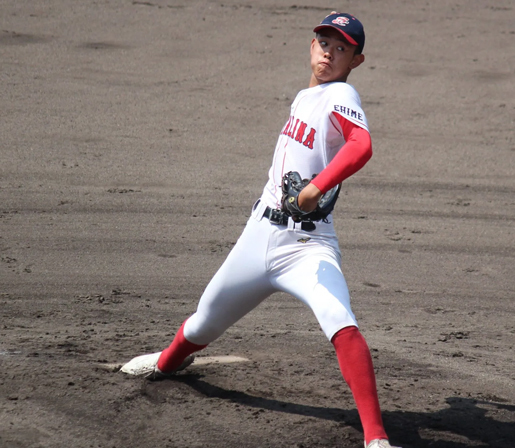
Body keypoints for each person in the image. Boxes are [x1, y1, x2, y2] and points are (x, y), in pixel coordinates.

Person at [120, 12, 399, 448]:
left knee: (339, 320)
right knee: (204, 320)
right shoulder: (306, 97)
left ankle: (376, 439)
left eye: (341, 47)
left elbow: (361, 146)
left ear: (355, 60)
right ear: (311, 46)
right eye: (323, 42)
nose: (329, 51)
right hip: (260, 235)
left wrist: (315, 188)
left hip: (308, 245)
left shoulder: (342, 93)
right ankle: (167, 362)